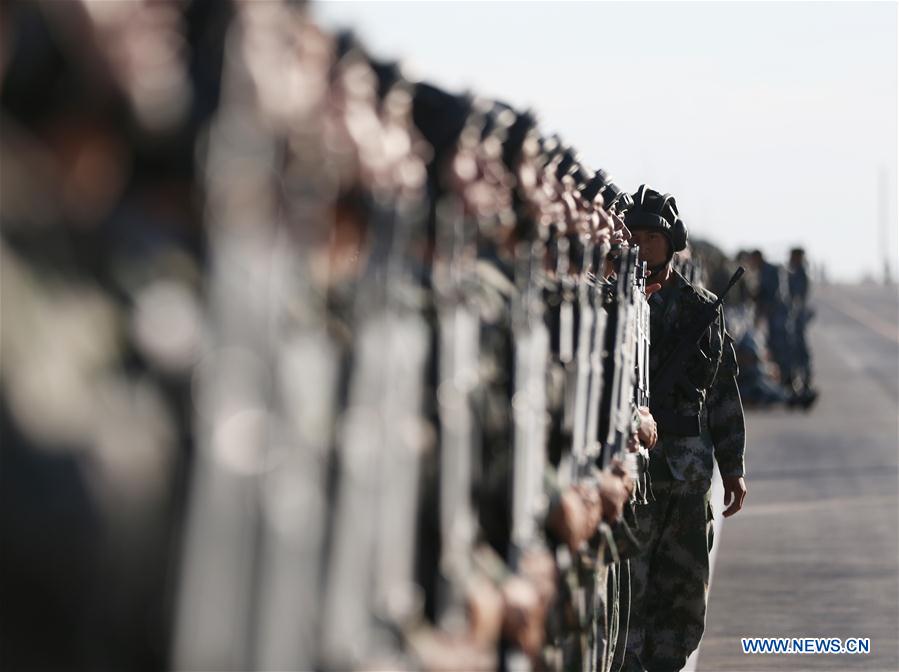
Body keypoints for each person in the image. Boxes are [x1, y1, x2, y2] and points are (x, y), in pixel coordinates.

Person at [620, 186, 747, 672]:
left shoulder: (701, 308)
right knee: (630, 584)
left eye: (653, 237)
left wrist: (733, 467)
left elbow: (722, 391)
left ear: (672, 242)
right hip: (633, 473)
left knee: (684, 587)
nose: (644, 246)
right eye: (636, 236)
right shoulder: (616, 305)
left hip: (688, 475)